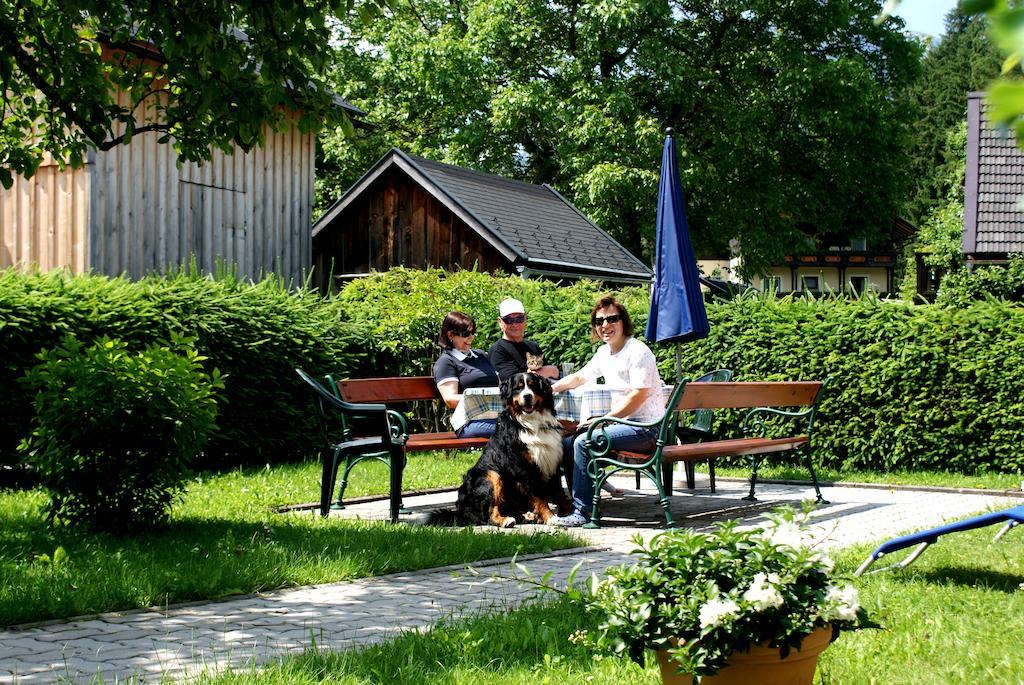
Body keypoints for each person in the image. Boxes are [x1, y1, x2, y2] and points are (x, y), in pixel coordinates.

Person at [548, 295, 665, 527]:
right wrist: (551, 388)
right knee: (569, 443)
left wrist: (605, 419)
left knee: (584, 442)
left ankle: (584, 513)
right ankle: (578, 505)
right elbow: (581, 376)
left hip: (646, 429)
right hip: (625, 426)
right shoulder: (605, 352)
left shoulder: (637, 351)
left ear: (624, 322)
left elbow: (638, 395)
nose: (605, 326)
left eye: (612, 319)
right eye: (599, 321)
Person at [433, 311, 500, 438]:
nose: (471, 337)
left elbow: (500, 385)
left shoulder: (481, 355)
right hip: (469, 422)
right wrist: (485, 399)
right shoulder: (446, 362)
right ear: (450, 335)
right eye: (466, 334)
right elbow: (450, 400)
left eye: (472, 333)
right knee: (515, 431)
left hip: (497, 416)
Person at [487, 298, 560, 382]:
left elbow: (551, 378)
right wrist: (547, 371)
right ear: (500, 322)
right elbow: (512, 381)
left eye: (519, 319)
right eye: (509, 320)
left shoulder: (533, 347)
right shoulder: (497, 350)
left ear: (525, 319)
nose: (515, 324)